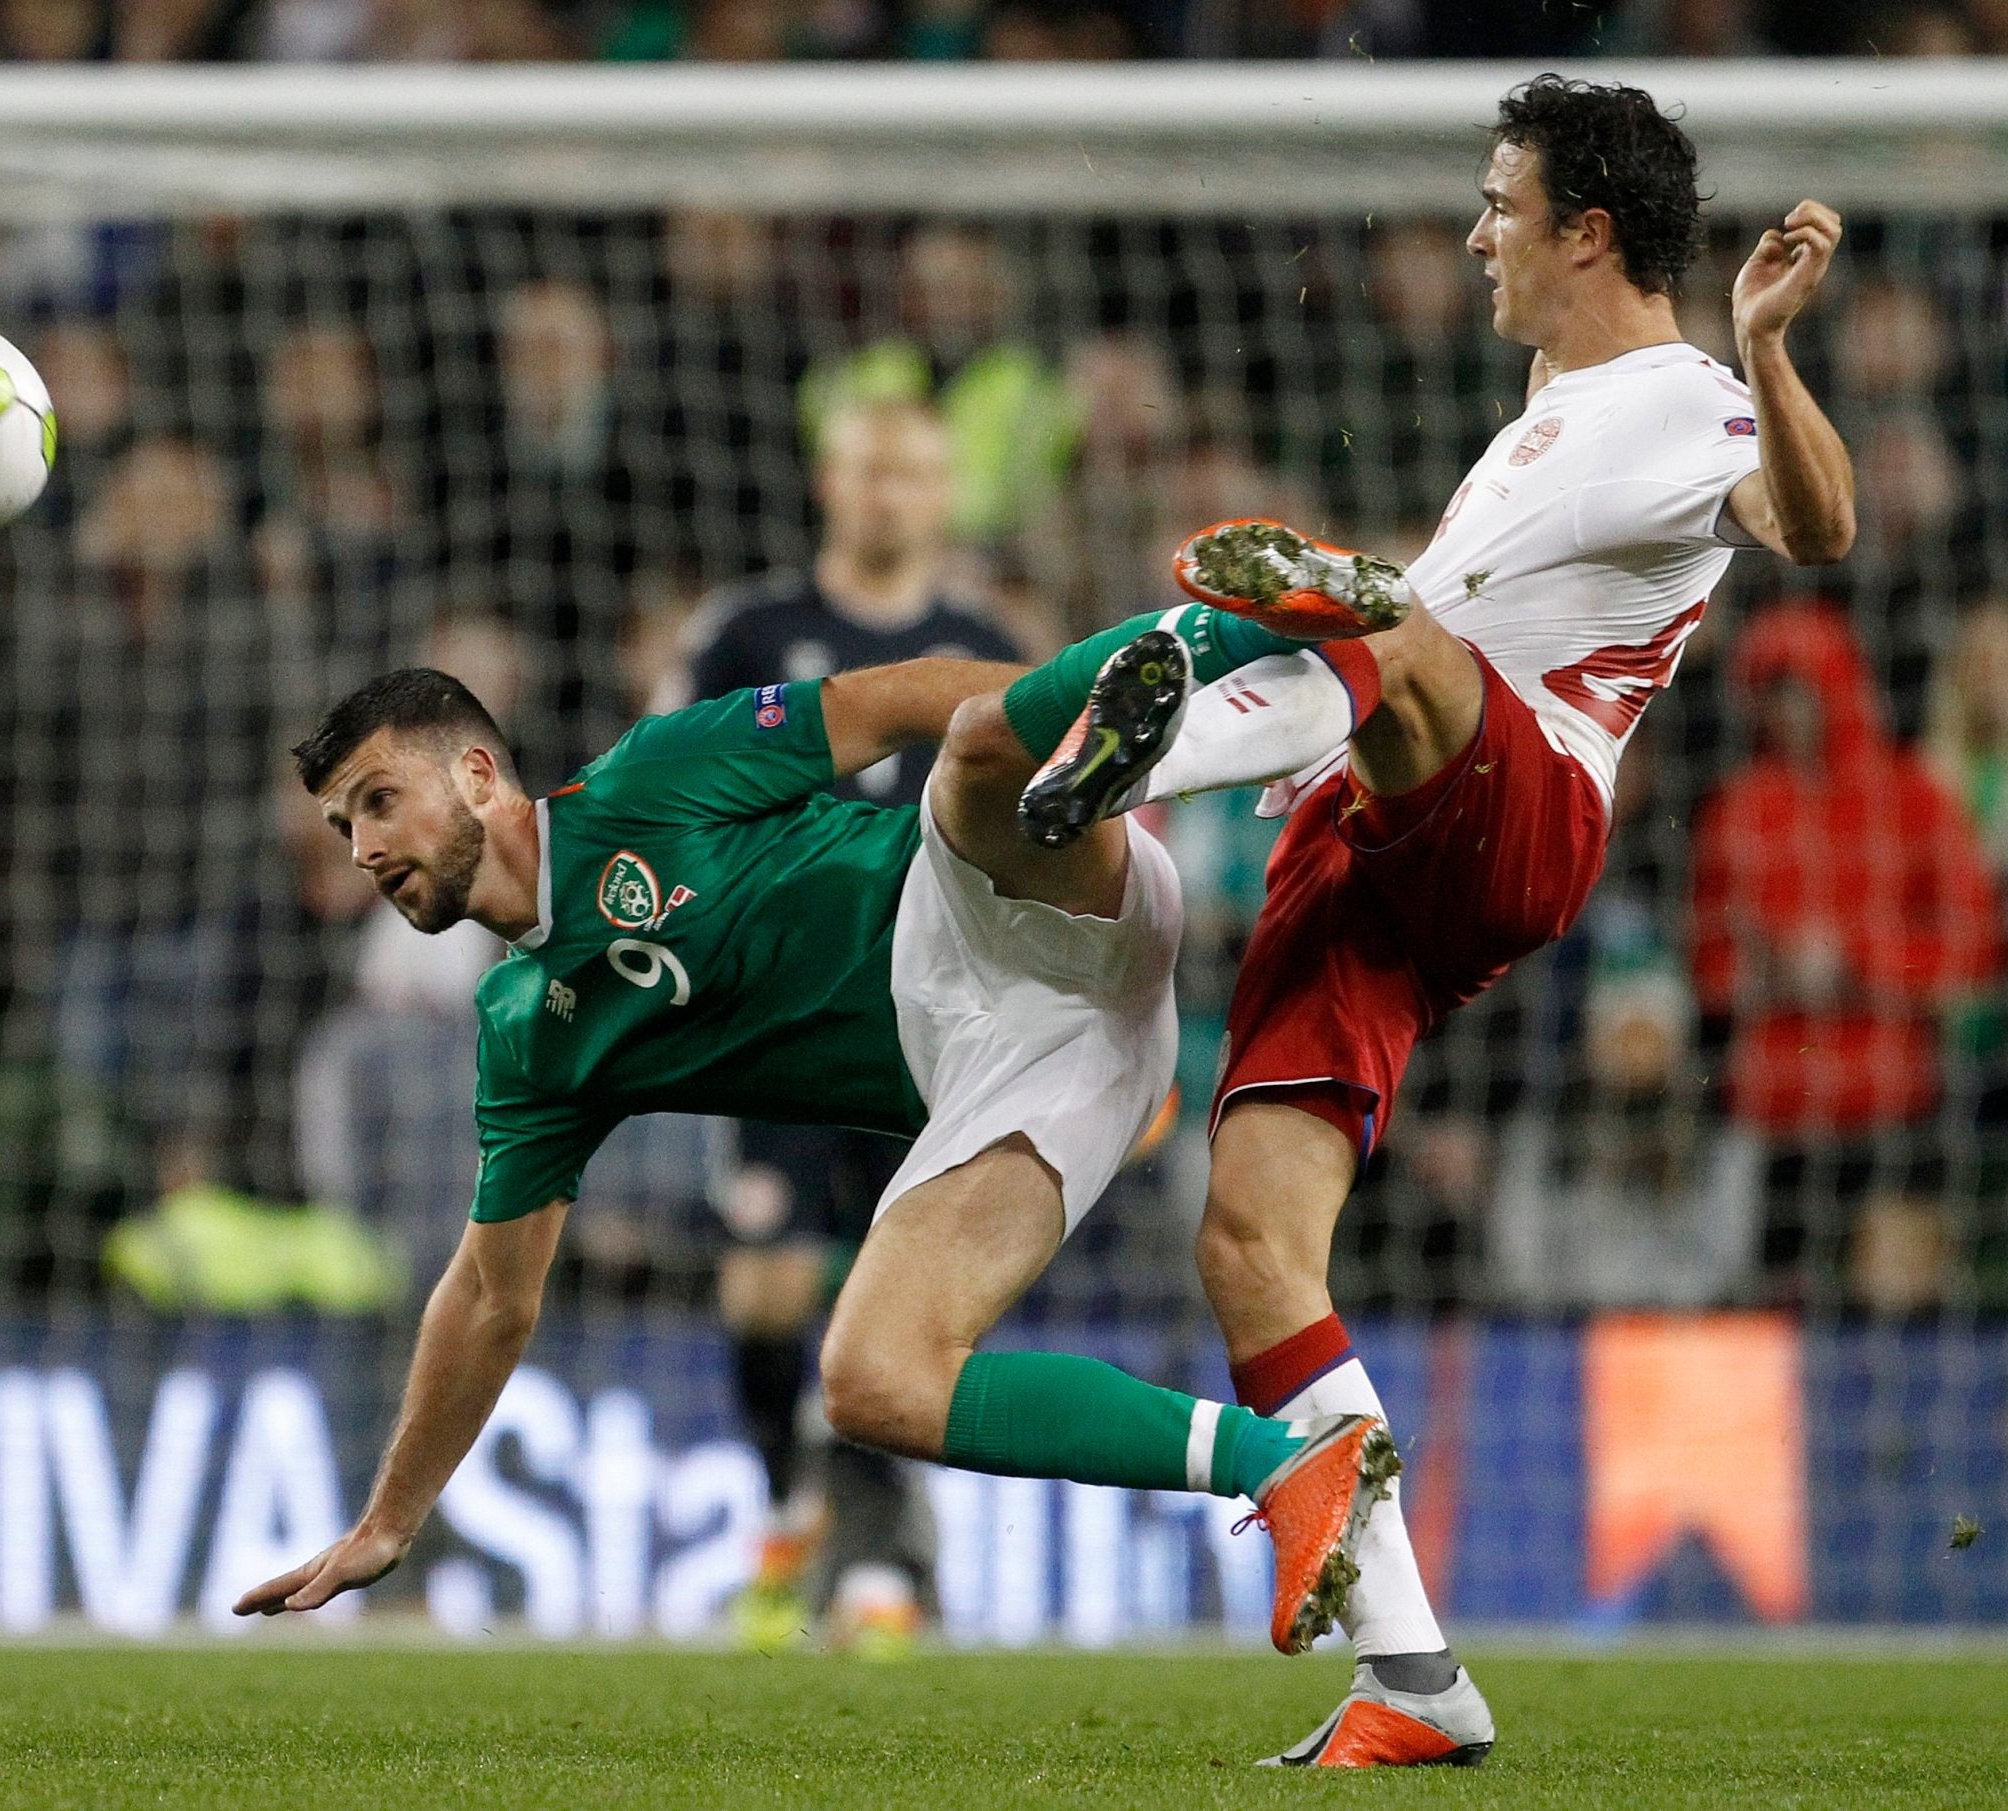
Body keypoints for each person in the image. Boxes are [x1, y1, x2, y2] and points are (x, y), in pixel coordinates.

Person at [1014, 75, 1855, 1763]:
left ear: (1582, 230)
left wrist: (1764, 344)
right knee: (1247, 1241)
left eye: (1496, 204)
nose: (1473, 233)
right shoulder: (1544, 397)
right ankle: (1414, 1683)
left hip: (1520, 803)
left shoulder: (1687, 397)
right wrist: (1331, 726)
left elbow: (1816, 531)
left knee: (1380, 624)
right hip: (1377, 820)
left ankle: (1155, 741)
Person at [234, 653, 1404, 1683]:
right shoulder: (528, 1036)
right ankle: (1289, 1461)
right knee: (871, 1379)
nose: (366, 846)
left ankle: (1252, 675)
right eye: (344, 826)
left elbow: (890, 697)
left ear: (480, 775)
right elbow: (490, 1294)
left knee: (977, 736)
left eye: (379, 800)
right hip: (1037, 1062)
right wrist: (388, 1520)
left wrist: (1097, 752)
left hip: (1001, 904)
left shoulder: (649, 776)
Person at [663, 396, 1022, 1649]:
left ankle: (881, 1563)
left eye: (912, 473)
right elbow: (670, 791)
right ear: (830, 481)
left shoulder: (984, 641)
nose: (888, 493)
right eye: (869, 468)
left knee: (897, 1307)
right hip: (770, 1019)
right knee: (763, 1289)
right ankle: (789, 1502)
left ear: (941, 495)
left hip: (930, 1032)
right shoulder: (748, 631)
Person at [1693, 601, 1995, 1310]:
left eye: (1801, 689)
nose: (1789, 711)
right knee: (1778, 1308)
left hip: (1894, 1106)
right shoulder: (1736, 810)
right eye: (1773, 693)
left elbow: (1971, 951)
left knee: (1890, 1307)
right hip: (1778, 1112)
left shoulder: (1914, 798)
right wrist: (1768, 975)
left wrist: (1856, 962)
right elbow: (1709, 964)